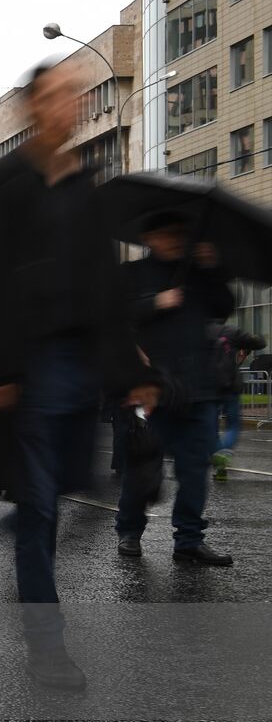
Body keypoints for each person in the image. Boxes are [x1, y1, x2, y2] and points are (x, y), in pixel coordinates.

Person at [0, 61, 157, 691]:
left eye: (78, 96)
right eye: (58, 95)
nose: (70, 105)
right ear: (35, 106)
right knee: (41, 508)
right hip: (27, 364)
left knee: (69, 484)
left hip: (78, 367)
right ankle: (48, 646)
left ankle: (23, 511)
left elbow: (106, 289)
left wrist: (130, 369)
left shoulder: (87, 188)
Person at [113, 213, 234, 565]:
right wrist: (156, 302)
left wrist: (212, 268)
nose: (175, 239)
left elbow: (224, 308)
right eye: (167, 234)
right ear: (149, 237)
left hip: (200, 387)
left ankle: (189, 540)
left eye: (180, 233)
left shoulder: (198, 271)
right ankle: (130, 531)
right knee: (142, 467)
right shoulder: (132, 274)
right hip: (152, 388)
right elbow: (115, 318)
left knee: (196, 470)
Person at [210, 323, 264, 480]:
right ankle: (224, 453)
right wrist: (257, 338)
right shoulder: (231, 331)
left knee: (211, 426)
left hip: (209, 387)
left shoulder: (201, 330)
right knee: (233, 424)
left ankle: (218, 459)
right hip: (230, 384)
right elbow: (259, 343)